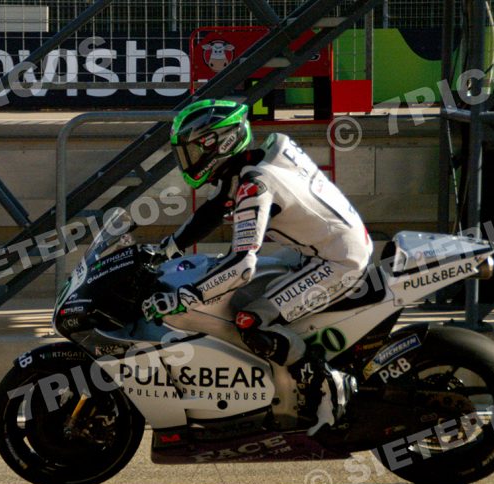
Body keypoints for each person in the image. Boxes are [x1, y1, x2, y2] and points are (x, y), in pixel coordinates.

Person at [142, 99, 373, 435]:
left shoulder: (256, 185)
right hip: (316, 248)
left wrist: (185, 296)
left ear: (219, 144)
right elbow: (217, 206)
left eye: (192, 151)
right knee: (235, 292)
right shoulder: (258, 158)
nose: (186, 161)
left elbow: (242, 265)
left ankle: (327, 385)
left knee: (251, 320)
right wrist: (165, 249)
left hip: (338, 261)